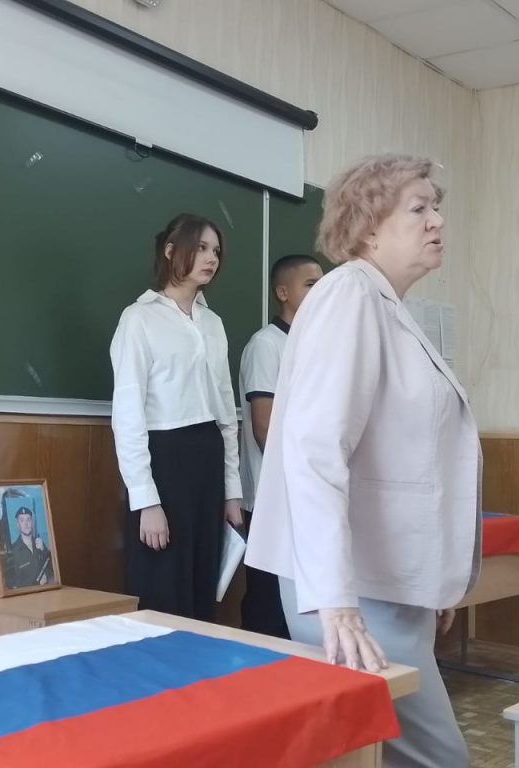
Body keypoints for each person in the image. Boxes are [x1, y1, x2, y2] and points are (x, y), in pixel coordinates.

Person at [245, 155, 481, 768]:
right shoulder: (349, 295)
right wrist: (337, 601)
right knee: (436, 758)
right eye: (419, 208)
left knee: (386, 756)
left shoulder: (387, 305)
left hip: (385, 579)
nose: (437, 221)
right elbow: (314, 450)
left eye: (437, 207)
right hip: (354, 588)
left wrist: (435, 575)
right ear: (369, 226)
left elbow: (406, 457)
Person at [110, 213, 243, 622]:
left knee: (203, 581)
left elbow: (226, 411)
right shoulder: (139, 318)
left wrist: (232, 491)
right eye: (201, 248)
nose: (211, 258)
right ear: (171, 251)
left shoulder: (213, 323)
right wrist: (146, 500)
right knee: (162, 583)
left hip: (207, 456)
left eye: (216, 250)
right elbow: (128, 414)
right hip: (164, 458)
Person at [238, 254, 323, 638]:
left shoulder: (316, 344)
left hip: (307, 494)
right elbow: (264, 427)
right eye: (310, 284)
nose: (319, 292)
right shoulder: (266, 344)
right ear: (283, 292)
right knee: (269, 604)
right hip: (272, 496)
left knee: (300, 605)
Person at [4, 506, 52, 589]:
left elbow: (52, 568)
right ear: (18, 525)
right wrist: (36, 583)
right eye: (22, 520)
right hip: (27, 595)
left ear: (32, 523)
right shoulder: (13, 550)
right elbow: (11, 583)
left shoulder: (40, 543)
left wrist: (44, 550)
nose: (26, 523)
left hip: (46, 592)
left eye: (28, 519)